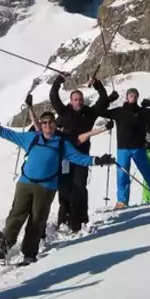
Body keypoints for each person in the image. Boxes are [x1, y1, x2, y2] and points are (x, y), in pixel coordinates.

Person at [0, 110, 114, 263]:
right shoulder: (31, 138)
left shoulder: (62, 143)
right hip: (25, 183)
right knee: (16, 215)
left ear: (55, 125)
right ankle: (4, 246)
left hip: (46, 188)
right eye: (44, 123)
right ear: (41, 125)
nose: (47, 125)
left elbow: (79, 158)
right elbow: (10, 135)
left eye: (50, 122)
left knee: (37, 220)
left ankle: (29, 254)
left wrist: (99, 160)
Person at [49, 73, 110, 233]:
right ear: (71, 101)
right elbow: (54, 97)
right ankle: (63, 219)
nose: (78, 102)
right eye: (75, 99)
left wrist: (97, 84)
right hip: (65, 157)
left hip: (82, 157)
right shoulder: (64, 112)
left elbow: (103, 99)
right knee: (64, 187)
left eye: (80, 99)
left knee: (80, 187)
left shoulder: (89, 113)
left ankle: (81, 219)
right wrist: (59, 80)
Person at [95, 87, 150, 209]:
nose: (133, 97)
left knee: (147, 170)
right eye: (130, 95)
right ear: (127, 97)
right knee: (122, 174)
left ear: (137, 97)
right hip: (123, 148)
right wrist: (109, 99)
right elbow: (99, 111)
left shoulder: (143, 112)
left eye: (135, 95)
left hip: (138, 147)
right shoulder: (119, 111)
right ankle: (122, 201)